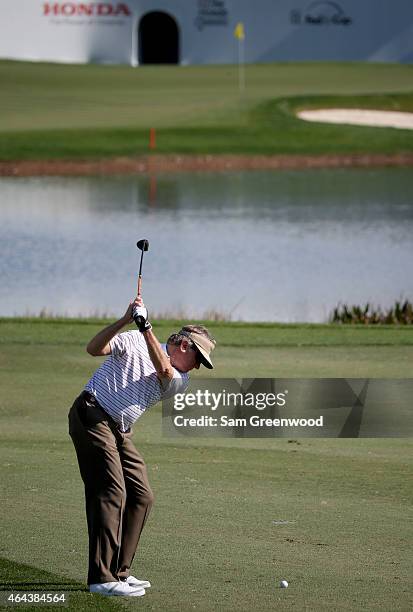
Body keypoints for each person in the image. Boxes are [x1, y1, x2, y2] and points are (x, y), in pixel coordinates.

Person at [68, 297, 216, 597]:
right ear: (185, 346)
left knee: (142, 495)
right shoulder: (134, 339)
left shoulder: (180, 379)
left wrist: (144, 325)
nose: (197, 367)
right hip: (92, 413)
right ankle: (100, 577)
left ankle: (120, 573)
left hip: (119, 430)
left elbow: (162, 370)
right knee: (111, 491)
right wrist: (125, 320)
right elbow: (94, 349)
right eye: (198, 358)